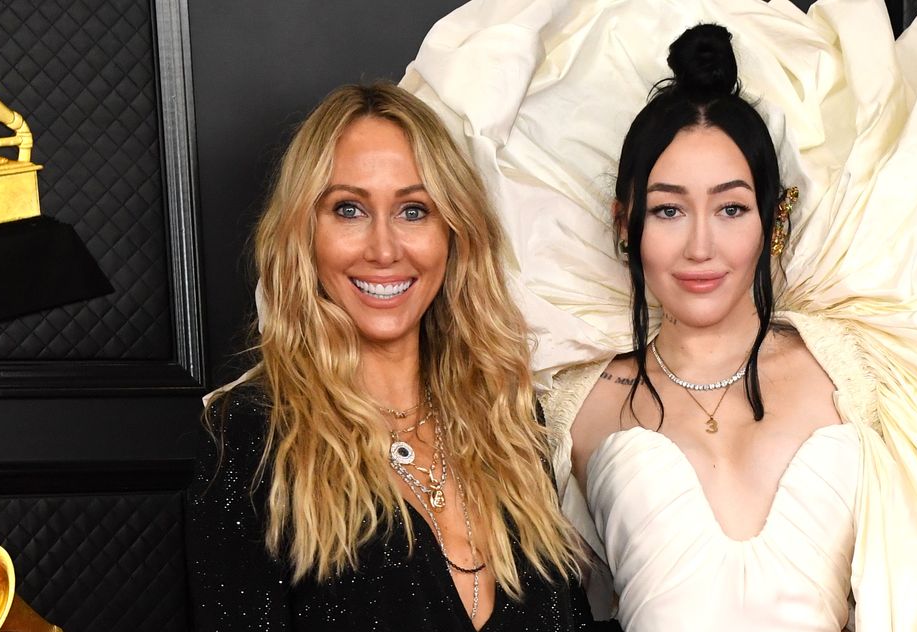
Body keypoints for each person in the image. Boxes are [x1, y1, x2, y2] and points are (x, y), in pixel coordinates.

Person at [402, 0, 917, 630]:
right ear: (624, 225)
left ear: (773, 224)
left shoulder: (856, 372)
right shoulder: (576, 406)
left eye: (731, 208)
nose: (701, 246)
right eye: (669, 210)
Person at [186, 82, 611, 631]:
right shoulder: (253, 437)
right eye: (349, 209)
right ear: (304, 234)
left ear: (454, 232)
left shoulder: (507, 420)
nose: (384, 249)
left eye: (413, 211)